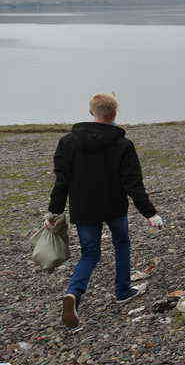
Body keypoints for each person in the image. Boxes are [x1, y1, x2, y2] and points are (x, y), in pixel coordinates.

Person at [46, 93, 163, 332]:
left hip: (83, 208)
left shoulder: (68, 142)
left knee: (90, 254)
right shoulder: (123, 144)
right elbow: (133, 183)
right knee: (121, 244)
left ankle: (73, 294)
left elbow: (62, 181)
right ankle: (123, 290)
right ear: (114, 114)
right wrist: (150, 214)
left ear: (92, 112)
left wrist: (54, 211)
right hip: (113, 206)